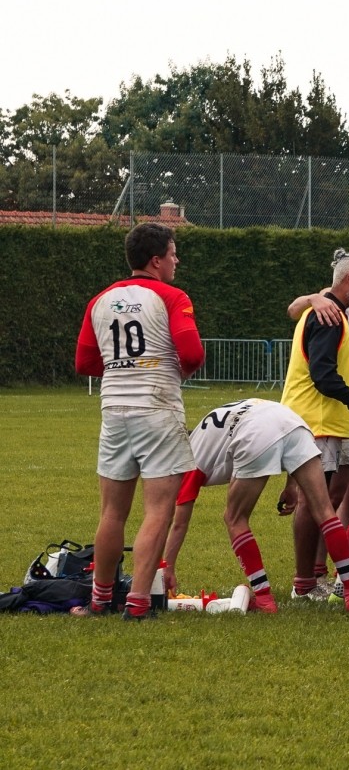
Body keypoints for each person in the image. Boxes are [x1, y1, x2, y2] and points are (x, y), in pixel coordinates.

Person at [73, 222, 205, 619]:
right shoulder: (172, 296)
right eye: (173, 252)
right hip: (157, 407)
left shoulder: (100, 300)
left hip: (114, 410)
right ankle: (138, 603)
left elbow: (84, 362)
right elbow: (193, 353)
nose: (176, 259)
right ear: (156, 260)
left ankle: (100, 600)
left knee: (112, 513)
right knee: (158, 509)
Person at [163, 399, 349, 613]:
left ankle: (264, 599)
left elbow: (179, 523)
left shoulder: (186, 463)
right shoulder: (199, 437)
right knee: (325, 511)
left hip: (255, 432)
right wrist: (291, 484)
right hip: (293, 423)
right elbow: (275, 428)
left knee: (234, 518)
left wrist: (169, 567)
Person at [280, 249, 349, 605]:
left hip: (318, 418)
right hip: (314, 420)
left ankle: (310, 579)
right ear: (348, 281)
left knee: (319, 502)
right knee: (311, 503)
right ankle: (303, 583)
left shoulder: (321, 310)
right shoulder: (330, 317)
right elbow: (322, 374)